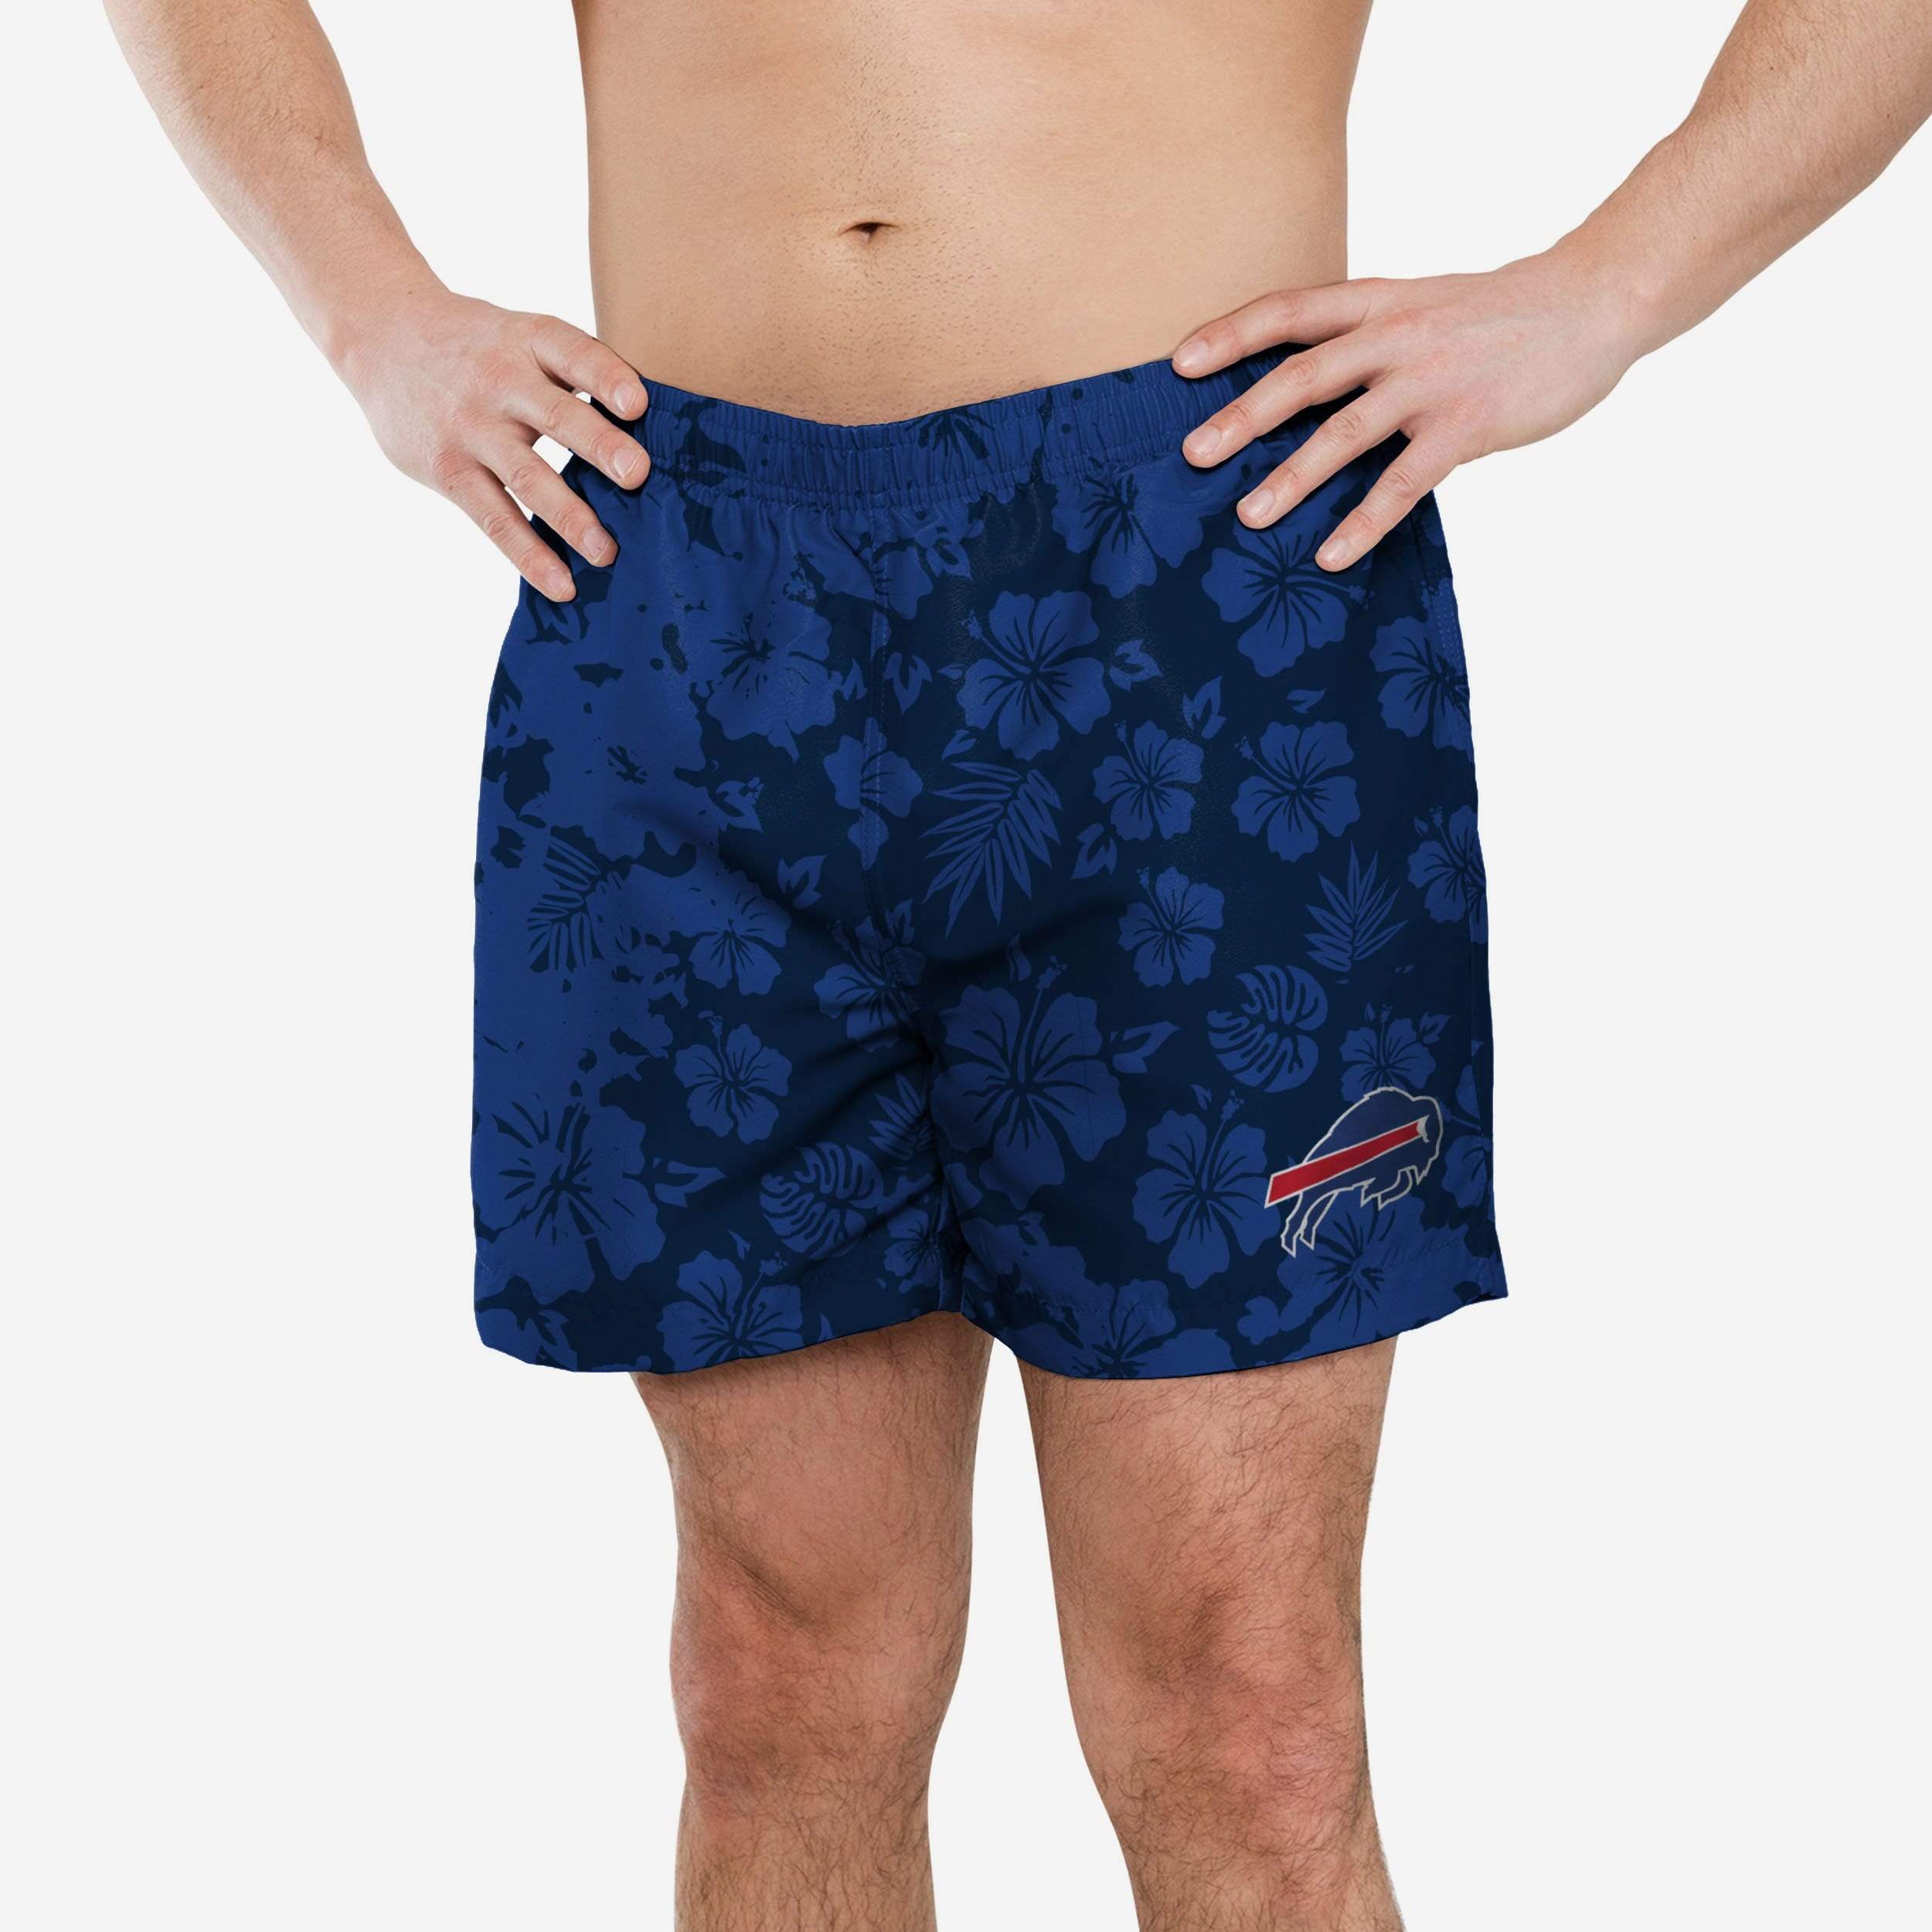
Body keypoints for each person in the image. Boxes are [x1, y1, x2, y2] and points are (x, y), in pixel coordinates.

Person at [106, 3, 1930, 1925]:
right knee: (773, 1685)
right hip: (682, 593)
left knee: (1242, 1717)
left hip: (1200, 592)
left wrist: (1606, 291)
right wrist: (370, 313)